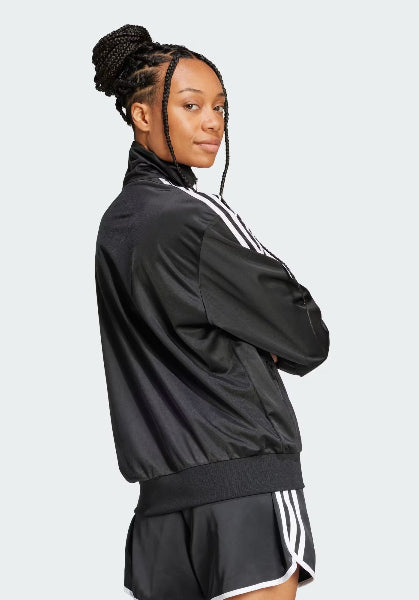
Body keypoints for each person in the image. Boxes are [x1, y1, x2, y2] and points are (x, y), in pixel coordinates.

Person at [92, 24, 330, 600]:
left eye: (220, 107)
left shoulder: (115, 224)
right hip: (243, 486)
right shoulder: (196, 217)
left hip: (161, 507)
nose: (212, 123)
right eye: (191, 105)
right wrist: (259, 337)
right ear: (141, 114)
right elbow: (307, 335)